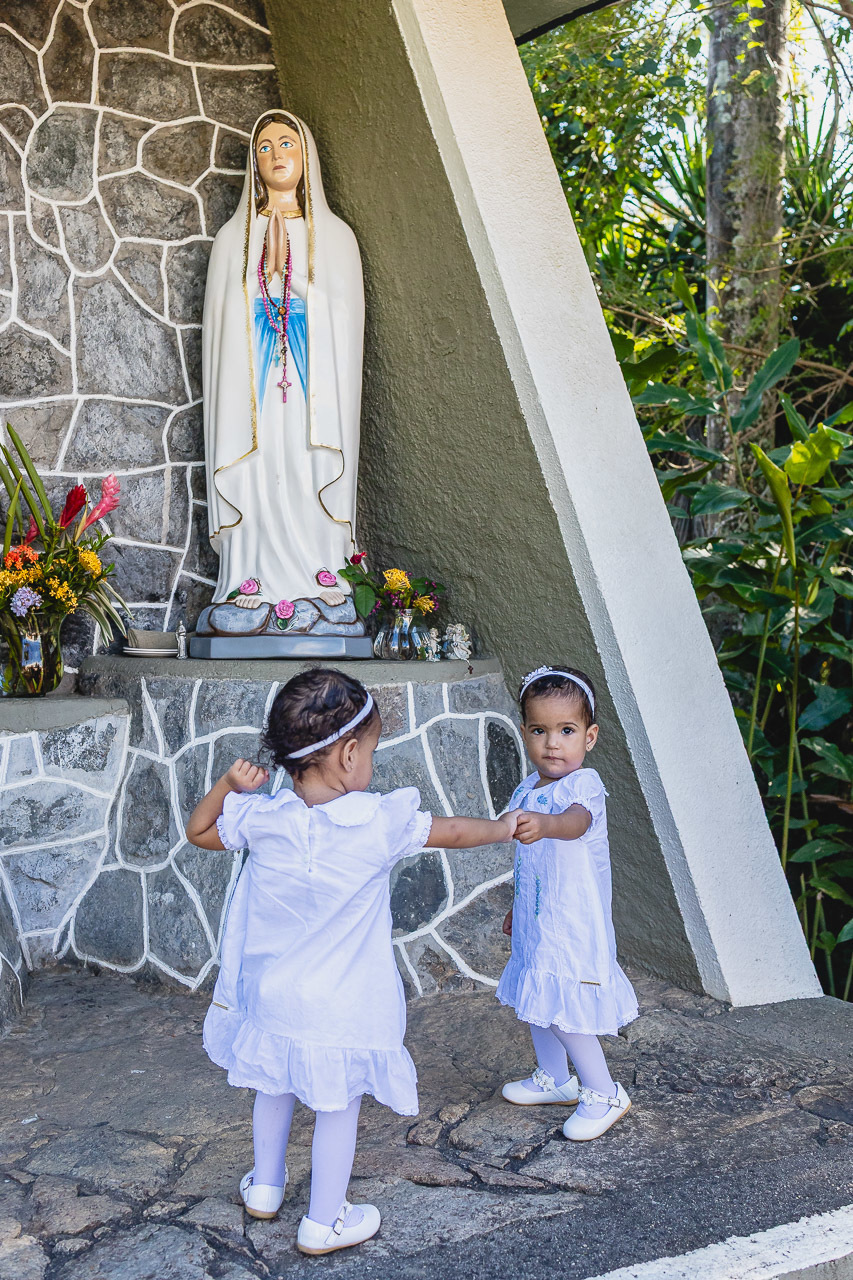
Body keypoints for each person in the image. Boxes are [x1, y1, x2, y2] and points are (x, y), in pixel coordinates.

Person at [185, 668, 517, 1254]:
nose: (371, 763)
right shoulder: (378, 821)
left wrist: (228, 784)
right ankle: (325, 1221)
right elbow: (454, 833)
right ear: (346, 755)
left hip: (275, 997)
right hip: (343, 1006)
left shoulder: (264, 818)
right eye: (371, 750)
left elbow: (199, 831)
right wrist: (503, 829)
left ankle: (265, 1188)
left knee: (273, 1087)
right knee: (336, 1107)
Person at [202, 109, 363, 612]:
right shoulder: (233, 237)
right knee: (260, 459)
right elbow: (220, 324)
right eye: (265, 147)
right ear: (254, 162)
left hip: (312, 379)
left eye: (287, 143)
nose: (276, 155)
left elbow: (346, 319)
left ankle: (320, 565)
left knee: (305, 456)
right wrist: (259, 280)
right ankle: (250, 571)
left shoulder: (335, 236)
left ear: (306, 155)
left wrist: (288, 277)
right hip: (254, 377)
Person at [496, 665, 638, 1141]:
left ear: (589, 737)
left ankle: (604, 1092)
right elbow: (529, 863)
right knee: (536, 995)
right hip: (539, 914)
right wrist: (518, 906)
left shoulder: (583, 785)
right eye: (540, 730)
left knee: (563, 1006)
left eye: (567, 731)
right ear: (525, 733)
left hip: (572, 918)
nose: (552, 743)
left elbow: (577, 823)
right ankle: (555, 1078)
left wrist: (547, 824)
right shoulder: (527, 788)